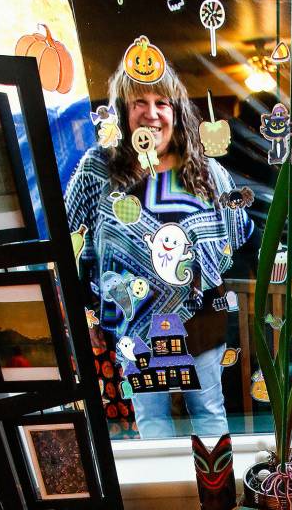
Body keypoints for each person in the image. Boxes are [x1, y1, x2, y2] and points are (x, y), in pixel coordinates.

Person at [65, 55, 254, 439]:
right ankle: (167, 497)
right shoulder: (98, 169)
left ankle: (214, 495)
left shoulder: (207, 171)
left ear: (175, 110)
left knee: (208, 413)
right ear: (122, 110)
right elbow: (71, 246)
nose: (151, 114)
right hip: (135, 323)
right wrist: (84, 314)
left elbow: (239, 234)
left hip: (200, 317)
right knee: (152, 420)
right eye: (139, 102)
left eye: (161, 103)